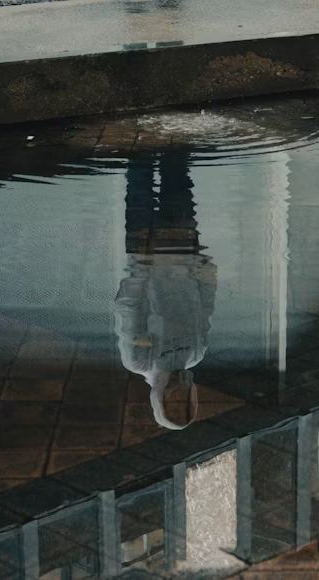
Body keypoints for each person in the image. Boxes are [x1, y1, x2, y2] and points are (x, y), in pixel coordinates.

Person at [114, 156, 216, 430]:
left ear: (158, 402)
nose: (178, 396)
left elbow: (128, 310)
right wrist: (208, 274)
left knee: (139, 185)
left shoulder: (138, 361)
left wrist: (140, 268)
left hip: (145, 254)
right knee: (179, 181)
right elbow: (205, 308)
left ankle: (139, 142)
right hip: (183, 253)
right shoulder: (196, 354)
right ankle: (173, 143)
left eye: (171, 404)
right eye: (184, 404)